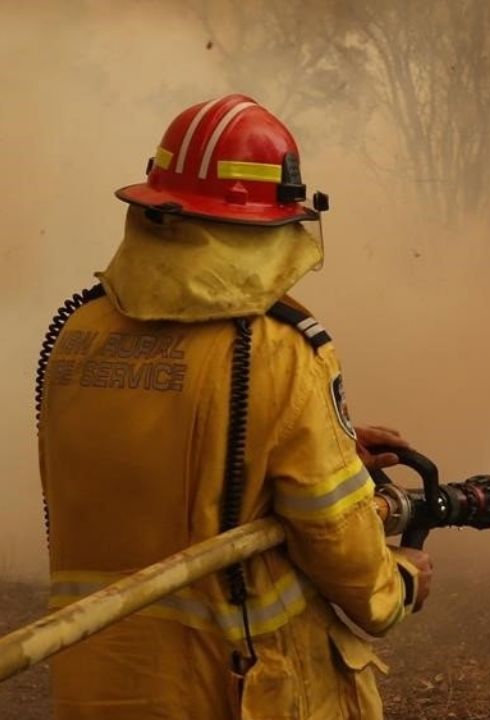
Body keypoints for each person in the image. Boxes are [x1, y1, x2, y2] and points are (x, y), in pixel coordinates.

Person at [35, 94, 431, 719]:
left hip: (98, 682)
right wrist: (398, 583)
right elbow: (332, 531)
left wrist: (309, 448)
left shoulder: (79, 334)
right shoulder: (276, 346)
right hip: (235, 686)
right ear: (266, 227)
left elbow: (150, 468)